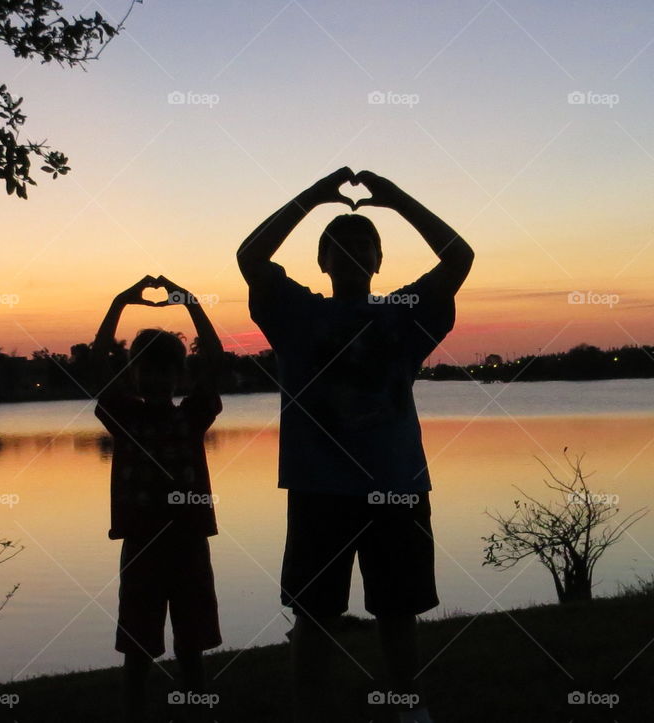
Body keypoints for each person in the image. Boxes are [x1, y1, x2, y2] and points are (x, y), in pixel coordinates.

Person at [236, 167, 474, 723]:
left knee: (398, 611)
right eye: (338, 243)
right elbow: (251, 257)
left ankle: (408, 711)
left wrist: (395, 200)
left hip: (396, 487)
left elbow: (458, 258)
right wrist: (313, 198)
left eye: (363, 241)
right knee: (314, 615)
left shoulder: (405, 314)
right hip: (320, 490)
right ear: (322, 261)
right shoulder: (298, 313)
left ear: (377, 261)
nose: (350, 248)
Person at [92, 274, 224, 723]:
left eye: (166, 370)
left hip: (188, 542)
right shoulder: (124, 416)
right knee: (137, 645)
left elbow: (215, 356)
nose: (157, 378)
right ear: (135, 375)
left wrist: (191, 303)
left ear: (179, 375)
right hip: (142, 544)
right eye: (147, 369)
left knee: (191, 644)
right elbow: (97, 361)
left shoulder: (192, 417)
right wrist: (119, 302)